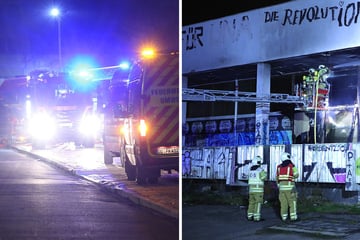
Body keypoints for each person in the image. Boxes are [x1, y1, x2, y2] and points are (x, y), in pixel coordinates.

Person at [276, 152, 299, 222]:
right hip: (290, 187)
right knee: (292, 202)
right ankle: (293, 217)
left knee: (283, 203)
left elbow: (277, 177)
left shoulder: (279, 167)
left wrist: (279, 185)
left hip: (281, 188)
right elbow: (296, 175)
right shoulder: (291, 166)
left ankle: (284, 217)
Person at [247, 155, 267, 222]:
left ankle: (250, 216)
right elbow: (263, 178)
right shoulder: (260, 169)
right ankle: (257, 217)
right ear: (259, 162)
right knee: (258, 203)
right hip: (258, 190)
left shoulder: (250, 169)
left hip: (251, 189)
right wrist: (265, 173)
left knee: (251, 203)